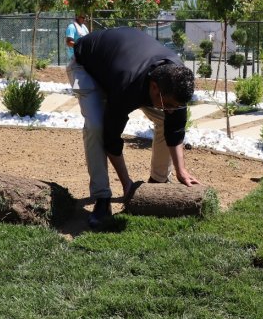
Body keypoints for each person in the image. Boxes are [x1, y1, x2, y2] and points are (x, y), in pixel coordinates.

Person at [69, 27, 201, 227]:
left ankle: (158, 181)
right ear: (154, 87)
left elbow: (175, 129)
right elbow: (111, 139)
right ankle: (102, 198)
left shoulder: (176, 81)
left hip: (120, 62)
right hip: (87, 64)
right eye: (168, 104)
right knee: (97, 127)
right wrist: (127, 184)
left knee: (166, 118)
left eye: (176, 106)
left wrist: (181, 171)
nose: (172, 110)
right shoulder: (127, 84)